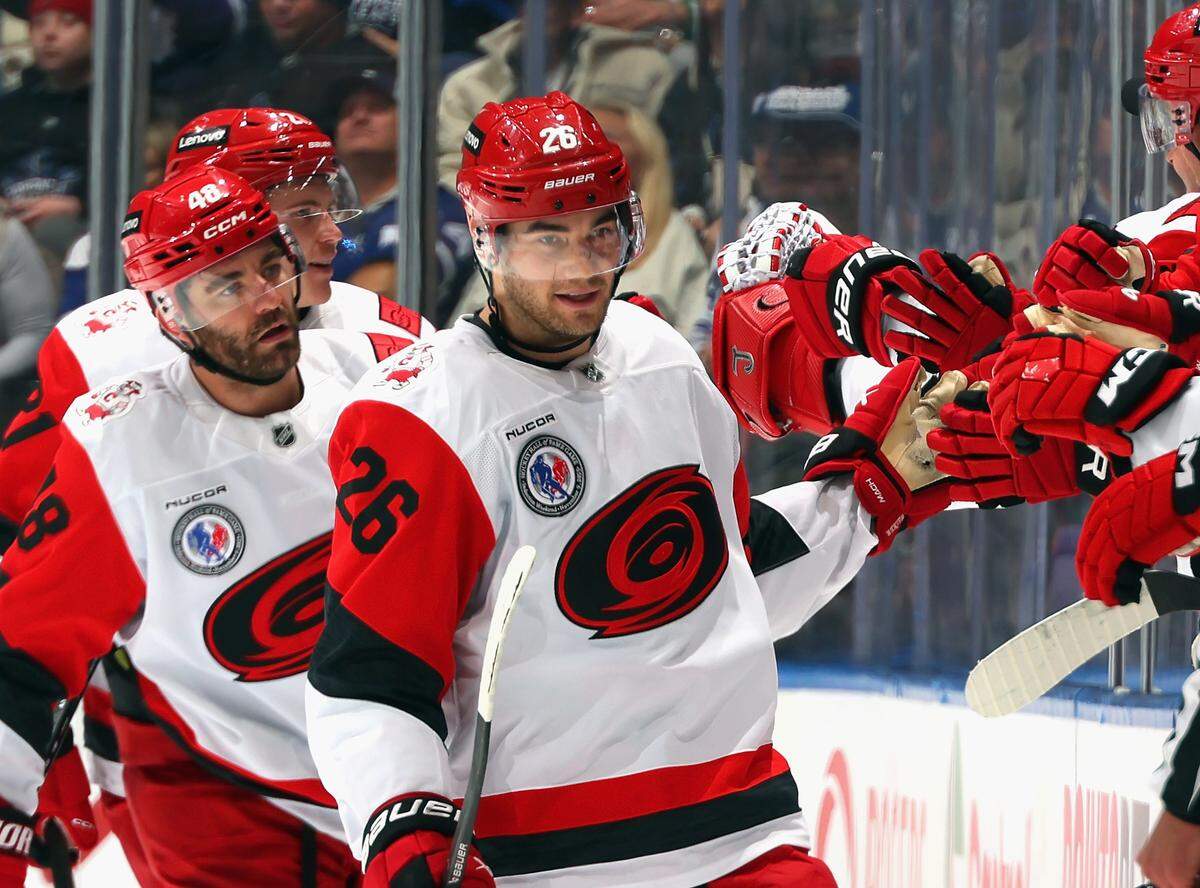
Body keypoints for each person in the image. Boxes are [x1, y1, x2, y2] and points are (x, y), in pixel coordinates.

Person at [305, 91, 956, 887]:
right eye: (549, 238)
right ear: (487, 239)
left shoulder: (660, 355)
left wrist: (867, 493)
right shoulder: (419, 415)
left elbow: (724, 580)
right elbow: (370, 675)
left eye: (600, 230)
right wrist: (405, 833)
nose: (582, 267)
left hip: (741, 837)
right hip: (538, 865)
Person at [0, 165, 415, 887]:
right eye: (227, 286)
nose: (266, 301)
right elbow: (21, 656)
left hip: (419, 790)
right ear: (168, 316)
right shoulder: (119, 447)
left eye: (270, 267)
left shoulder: (384, 369)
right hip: (244, 796)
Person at [0, 106, 431, 546]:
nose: (333, 235)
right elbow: (27, 508)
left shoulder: (393, 337)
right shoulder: (98, 348)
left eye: (329, 208)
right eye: (304, 212)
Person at [329, 67, 476, 318]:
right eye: (347, 112)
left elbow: (381, 292)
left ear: (412, 126)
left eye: (376, 108)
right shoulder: (320, 214)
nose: (359, 117)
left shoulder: (439, 206)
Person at [0, 0, 92, 259]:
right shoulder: (10, 108)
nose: (49, 34)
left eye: (68, 22)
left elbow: (136, 181)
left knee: (53, 232)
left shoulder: (112, 107)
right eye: (39, 23)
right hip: (9, 225)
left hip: (78, 233)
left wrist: (79, 205)